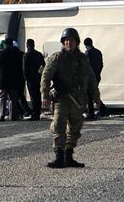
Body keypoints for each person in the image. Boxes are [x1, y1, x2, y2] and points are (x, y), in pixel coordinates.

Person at [41, 28, 103, 168]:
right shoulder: (56, 58)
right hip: (61, 99)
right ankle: (59, 156)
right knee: (58, 126)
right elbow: (46, 76)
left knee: (76, 127)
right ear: (63, 42)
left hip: (77, 99)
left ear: (77, 42)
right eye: (67, 41)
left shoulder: (82, 59)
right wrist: (45, 94)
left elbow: (91, 78)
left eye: (72, 41)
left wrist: (96, 96)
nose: (69, 43)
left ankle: (68, 155)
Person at [0, 38, 25, 121]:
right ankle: (13, 115)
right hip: (14, 79)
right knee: (13, 98)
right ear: (11, 44)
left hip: (3, 79)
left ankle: (1, 115)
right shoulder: (17, 54)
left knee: (2, 98)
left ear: (5, 44)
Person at [23, 38, 45, 120]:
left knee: (32, 96)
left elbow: (24, 68)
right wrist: (40, 73)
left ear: (27, 45)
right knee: (38, 96)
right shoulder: (38, 54)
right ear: (34, 45)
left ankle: (34, 114)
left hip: (30, 79)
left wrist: (26, 78)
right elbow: (43, 65)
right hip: (38, 78)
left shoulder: (26, 55)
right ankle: (38, 112)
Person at [84, 37, 104, 120]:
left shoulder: (87, 53)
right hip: (97, 76)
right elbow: (101, 64)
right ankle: (101, 110)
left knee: (89, 95)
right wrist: (98, 72)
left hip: (90, 77)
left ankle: (91, 113)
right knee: (94, 93)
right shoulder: (98, 52)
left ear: (85, 45)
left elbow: (86, 66)